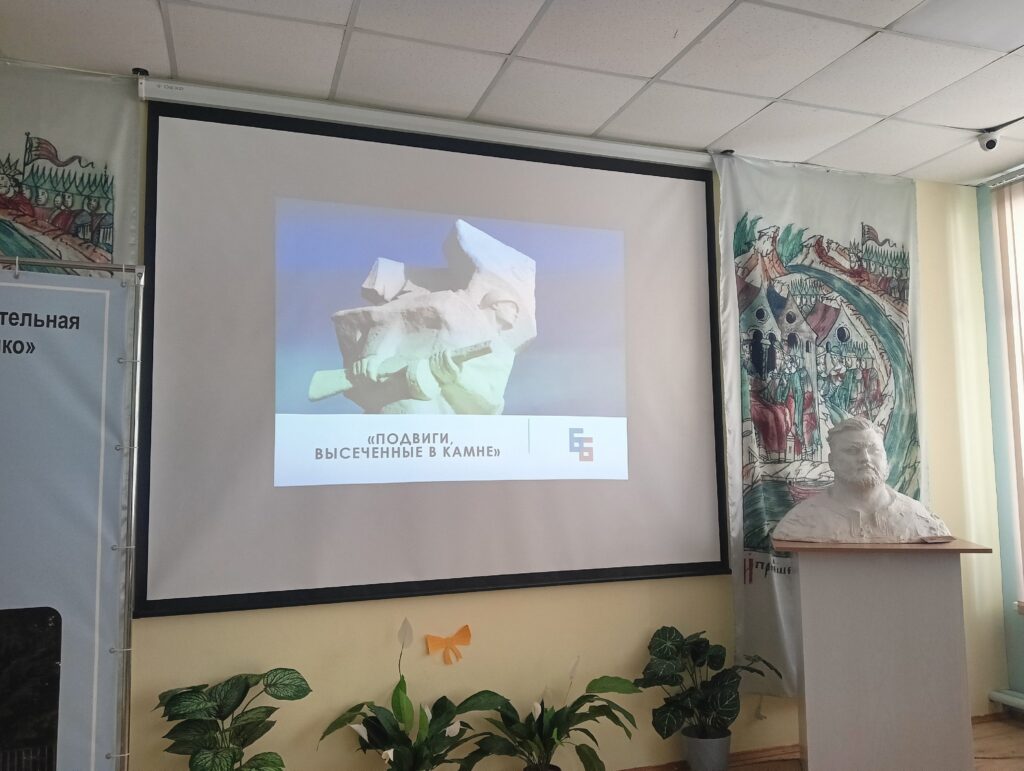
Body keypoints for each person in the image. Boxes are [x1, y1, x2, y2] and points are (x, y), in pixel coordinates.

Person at [772, 417, 950, 543]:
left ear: (886, 458)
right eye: (852, 450)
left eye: (874, 450)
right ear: (831, 461)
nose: (865, 458)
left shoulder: (922, 520)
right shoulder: (800, 521)